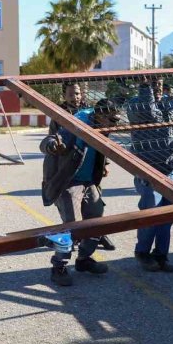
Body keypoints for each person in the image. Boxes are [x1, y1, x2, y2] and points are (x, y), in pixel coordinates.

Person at [40, 99, 121, 286]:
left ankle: (84, 259)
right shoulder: (78, 123)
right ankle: (59, 266)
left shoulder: (103, 124)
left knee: (96, 220)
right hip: (68, 180)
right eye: (112, 120)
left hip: (89, 180)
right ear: (100, 116)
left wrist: (104, 164)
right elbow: (51, 140)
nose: (114, 125)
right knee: (71, 225)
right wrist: (53, 145)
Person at [125, 77, 173, 273]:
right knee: (151, 214)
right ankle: (142, 252)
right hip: (150, 173)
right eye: (153, 85)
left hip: (171, 171)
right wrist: (146, 90)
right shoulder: (136, 105)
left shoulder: (169, 104)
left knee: (168, 216)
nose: (157, 89)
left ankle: (161, 255)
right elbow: (149, 112)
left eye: (159, 85)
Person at [48, 81, 116, 252]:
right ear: (64, 95)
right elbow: (54, 142)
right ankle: (63, 255)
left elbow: (103, 141)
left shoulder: (93, 111)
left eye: (77, 94)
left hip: (88, 169)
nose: (75, 97)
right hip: (68, 171)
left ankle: (96, 236)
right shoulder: (60, 115)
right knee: (71, 214)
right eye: (71, 94)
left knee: (95, 206)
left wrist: (105, 163)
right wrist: (55, 146)